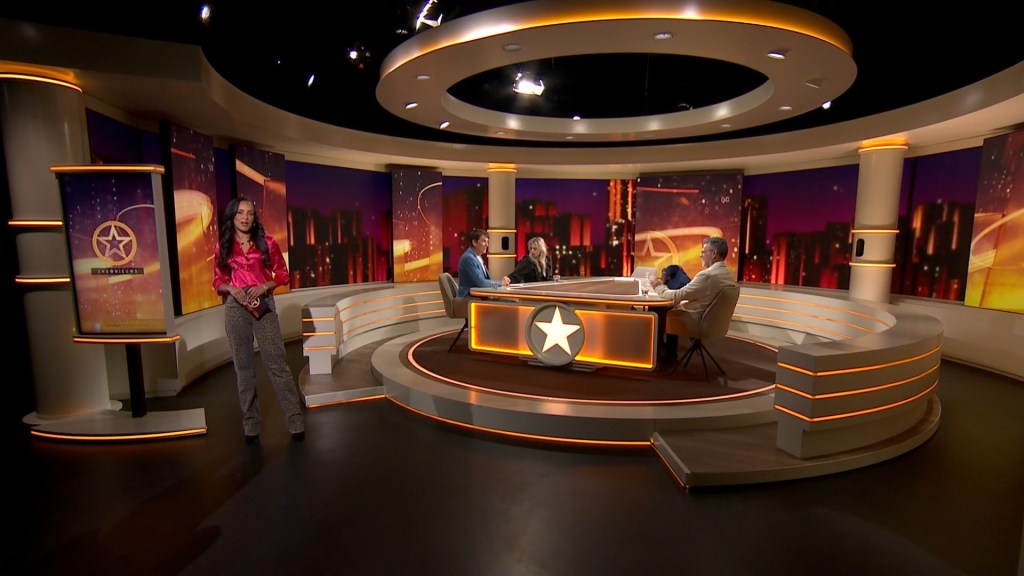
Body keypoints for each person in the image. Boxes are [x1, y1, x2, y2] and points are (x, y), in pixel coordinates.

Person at [213, 196, 305, 444]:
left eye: (250, 213)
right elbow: (217, 280)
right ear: (232, 216)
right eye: (240, 213)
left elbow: (283, 274)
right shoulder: (223, 246)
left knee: (277, 364)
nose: (245, 218)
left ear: (255, 218)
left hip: (263, 306)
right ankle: (251, 425)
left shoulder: (268, 242)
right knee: (243, 369)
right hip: (235, 308)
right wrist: (231, 288)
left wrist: (264, 285)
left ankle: (295, 420)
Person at [650, 236, 738, 361]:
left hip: (698, 321)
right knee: (670, 307)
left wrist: (659, 286)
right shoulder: (727, 274)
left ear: (713, 253)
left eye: (703, 252)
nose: (701, 255)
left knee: (657, 311)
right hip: (712, 323)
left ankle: (657, 357)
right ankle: (668, 354)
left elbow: (677, 295)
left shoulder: (708, 275)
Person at [457, 228, 507, 296]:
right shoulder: (468, 258)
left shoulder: (478, 256)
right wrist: (500, 283)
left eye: (487, 242)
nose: (487, 245)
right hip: (469, 297)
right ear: (474, 242)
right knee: (507, 301)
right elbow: (481, 283)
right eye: (484, 241)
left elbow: (485, 281)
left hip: (480, 295)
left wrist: (499, 285)